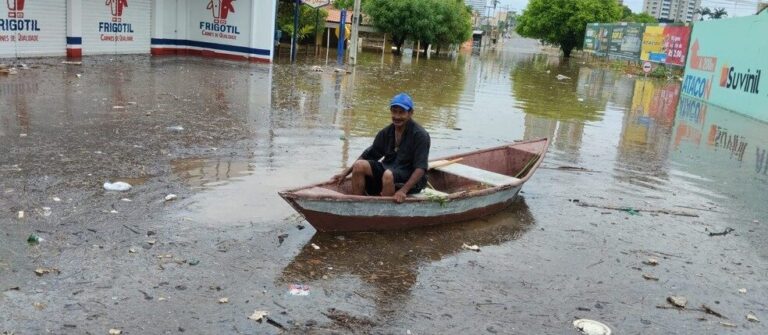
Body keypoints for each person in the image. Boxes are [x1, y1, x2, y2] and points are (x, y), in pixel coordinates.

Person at [332, 93, 430, 203]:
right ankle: (357, 202)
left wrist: (403, 190)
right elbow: (368, 154)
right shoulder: (386, 132)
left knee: (388, 175)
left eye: (401, 112)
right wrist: (346, 173)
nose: (397, 117)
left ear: (410, 113)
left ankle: (384, 207)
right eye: (394, 112)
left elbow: (420, 168)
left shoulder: (420, 135)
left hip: (409, 175)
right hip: (389, 167)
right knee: (359, 165)